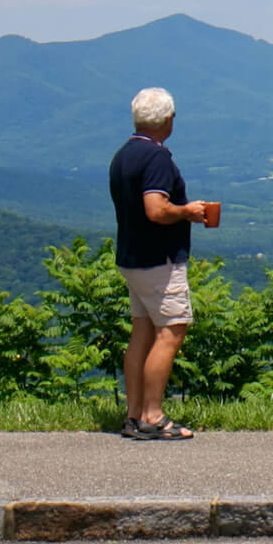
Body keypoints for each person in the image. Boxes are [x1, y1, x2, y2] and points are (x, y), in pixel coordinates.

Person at [109, 87, 213, 441]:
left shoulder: (123, 154)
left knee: (142, 332)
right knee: (171, 331)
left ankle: (134, 414)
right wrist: (188, 211)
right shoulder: (156, 158)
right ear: (168, 119)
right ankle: (153, 415)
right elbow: (155, 209)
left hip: (132, 257)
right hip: (159, 261)